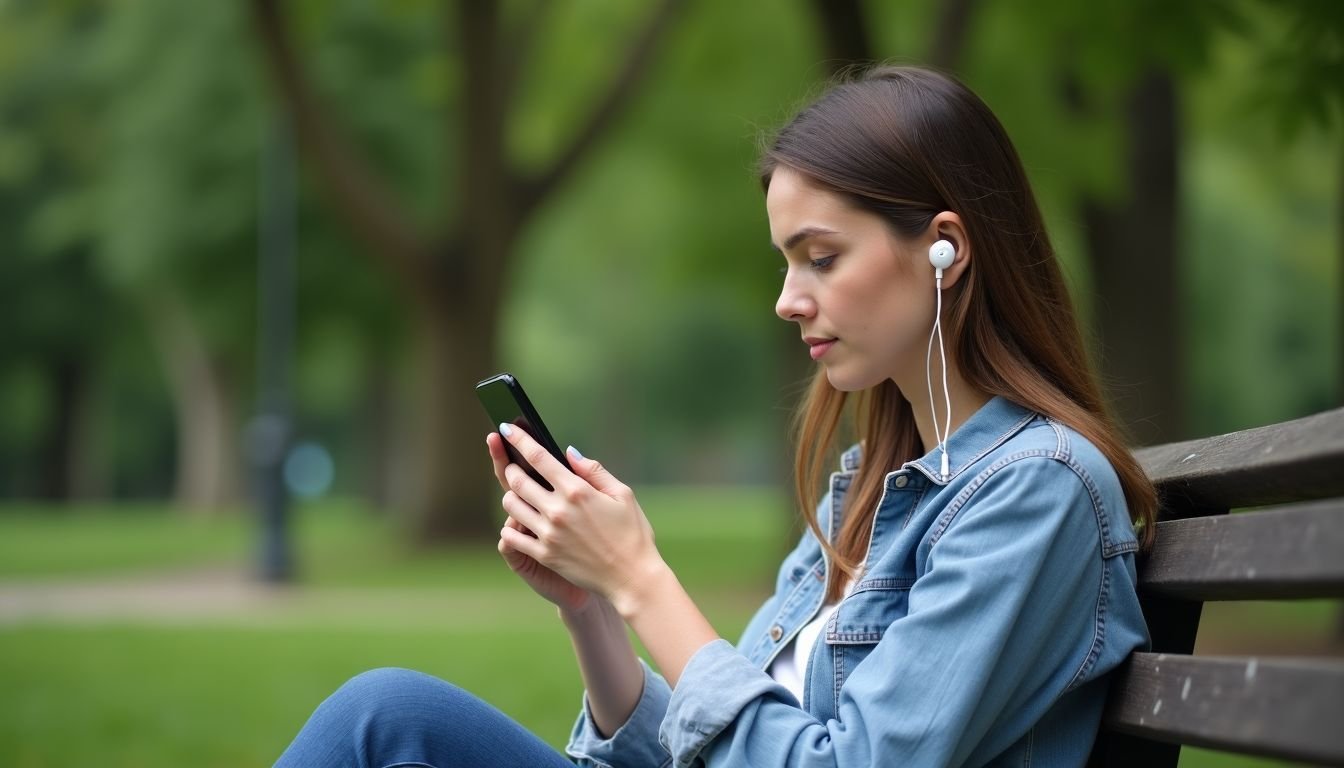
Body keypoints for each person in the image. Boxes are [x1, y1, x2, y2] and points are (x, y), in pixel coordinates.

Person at [274, 64, 1156, 768]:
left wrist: (643, 580)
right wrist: (592, 610)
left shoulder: (1037, 493)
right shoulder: (869, 494)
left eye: (820, 258)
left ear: (944, 249)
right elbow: (721, 745)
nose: (787, 300)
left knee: (378, 720)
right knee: (390, 717)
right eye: (786, 262)